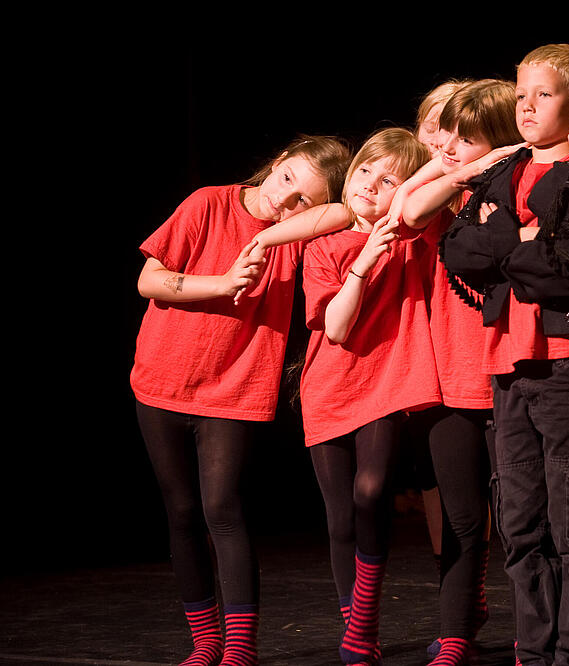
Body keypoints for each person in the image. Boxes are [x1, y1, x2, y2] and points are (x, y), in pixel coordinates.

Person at [439, 43, 569, 666]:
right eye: (520, 94)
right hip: (506, 367)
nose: (525, 106)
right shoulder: (499, 171)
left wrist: (509, 242)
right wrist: (513, 237)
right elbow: (456, 250)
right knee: (520, 523)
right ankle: (534, 650)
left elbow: (568, 270)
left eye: (541, 95)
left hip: (568, 362)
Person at [133, 135, 350, 666]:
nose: (287, 199)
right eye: (287, 179)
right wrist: (223, 282)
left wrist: (290, 225)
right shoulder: (209, 202)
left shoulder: (296, 236)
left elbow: (351, 209)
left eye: (304, 198)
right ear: (275, 164)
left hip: (234, 386)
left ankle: (239, 647)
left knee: (221, 508)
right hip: (162, 377)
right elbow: (149, 280)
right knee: (181, 511)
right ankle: (204, 643)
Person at [295, 128, 440, 664]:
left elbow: (438, 181)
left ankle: (364, 620)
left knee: (371, 491)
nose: (369, 187)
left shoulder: (412, 238)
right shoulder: (323, 246)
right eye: (364, 172)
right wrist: (365, 259)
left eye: (387, 181)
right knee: (338, 517)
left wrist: (396, 209)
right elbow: (335, 327)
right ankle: (357, 628)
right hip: (329, 386)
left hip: (386, 382)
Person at [401, 78, 524, 666]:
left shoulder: (516, 191)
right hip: (451, 378)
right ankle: (457, 632)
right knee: (463, 516)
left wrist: (502, 164)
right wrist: (466, 165)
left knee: (525, 515)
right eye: (444, 132)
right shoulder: (444, 197)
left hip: (512, 373)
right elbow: (406, 208)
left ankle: (537, 627)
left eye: (464, 136)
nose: (446, 145)